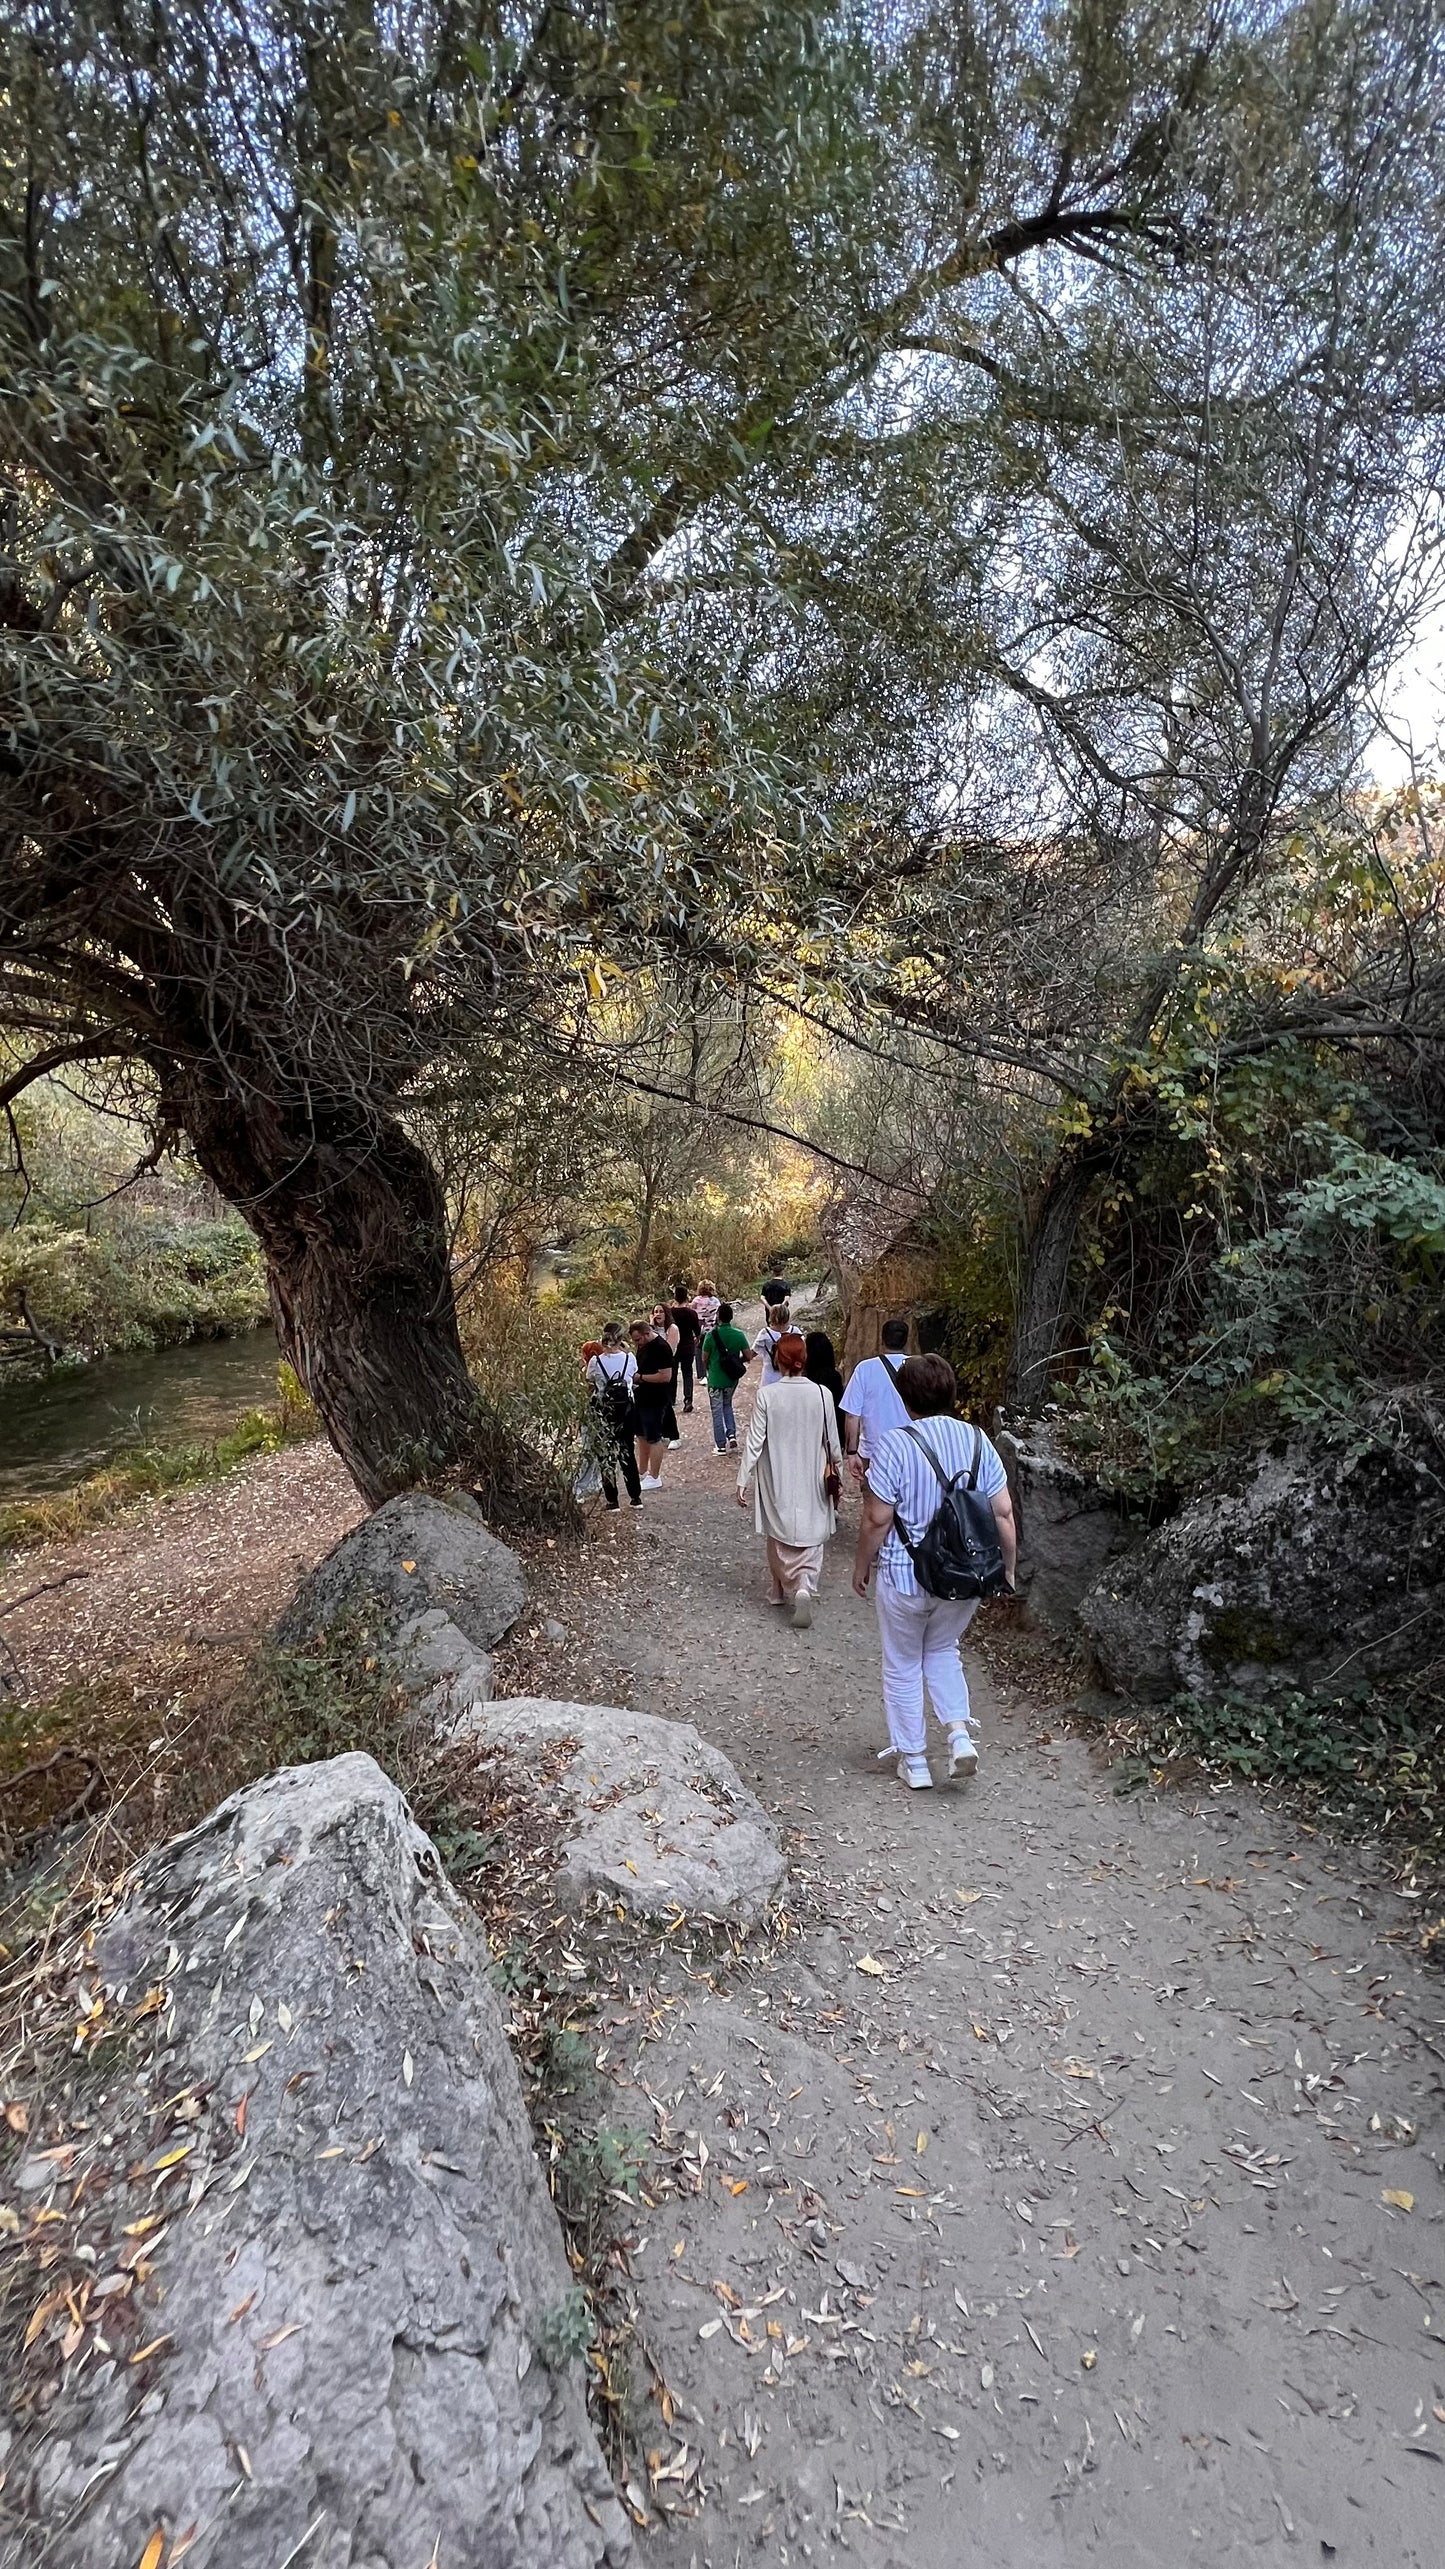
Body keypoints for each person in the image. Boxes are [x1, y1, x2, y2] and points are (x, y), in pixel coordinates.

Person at [851, 1352, 1016, 1790]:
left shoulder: (895, 1444)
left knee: (903, 1662)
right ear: (952, 1394)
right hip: (966, 1576)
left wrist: (861, 1565)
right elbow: (1003, 1515)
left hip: (907, 1573)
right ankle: (959, 1736)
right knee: (943, 1650)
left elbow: (876, 1519)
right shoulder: (980, 1442)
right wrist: (1008, 1572)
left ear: (905, 1399)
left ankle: (915, 1761)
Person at [736, 1329, 843, 1629]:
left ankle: (778, 1588)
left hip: (777, 1473)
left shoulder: (767, 1395)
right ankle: (805, 1584)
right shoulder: (823, 1394)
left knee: (779, 1533)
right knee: (811, 1533)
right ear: (804, 1360)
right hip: (813, 1472)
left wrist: (742, 1478)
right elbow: (832, 1442)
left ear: (778, 1361)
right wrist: (840, 1473)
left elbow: (755, 1441)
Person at [840, 1317, 911, 1486]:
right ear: (906, 1341)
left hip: (874, 1451)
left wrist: (851, 1452)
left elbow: (852, 1415)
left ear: (882, 1339)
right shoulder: (917, 1367)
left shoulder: (865, 1369)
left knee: (875, 1505)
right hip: (911, 1449)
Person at [585, 1322, 641, 1510]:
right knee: (628, 1451)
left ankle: (612, 1500)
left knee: (606, 1454)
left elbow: (589, 1381)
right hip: (626, 1410)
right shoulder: (629, 1359)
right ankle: (635, 1497)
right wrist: (624, 1349)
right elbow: (633, 1376)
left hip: (604, 1411)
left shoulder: (595, 1362)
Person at [629, 1316, 676, 1489]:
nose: (637, 1343)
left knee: (654, 1437)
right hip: (641, 1397)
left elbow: (665, 1376)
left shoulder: (661, 1348)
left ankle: (655, 1476)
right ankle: (642, 1470)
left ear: (647, 1333)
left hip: (655, 1399)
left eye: (638, 1339)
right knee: (641, 1435)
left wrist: (640, 1378)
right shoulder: (644, 1346)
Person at [701, 1299, 751, 1451]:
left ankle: (720, 1444)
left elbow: (704, 1358)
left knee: (716, 1411)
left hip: (716, 1377)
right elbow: (748, 1355)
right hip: (731, 1378)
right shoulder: (739, 1335)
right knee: (727, 1405)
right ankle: (732, 1435)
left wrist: (709, 1368)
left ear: (718, 1317)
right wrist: (736, 1362)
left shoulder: (711, 1335)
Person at [649, 1302, 683, 1445]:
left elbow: (668, 1350)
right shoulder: (650, 1329)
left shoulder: (672, 1329)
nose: (658, 1314)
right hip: (652, 1367)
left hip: (667, 1367)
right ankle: (659, 1430)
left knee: (666, 1401)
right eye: (655, 1312)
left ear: (666, 1313)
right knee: (654, 1402)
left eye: (661, 1311)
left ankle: (674, 1436)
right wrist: (650, 1326)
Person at [804, 1328, 846, 1441]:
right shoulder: (835, 1377)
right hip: (831, 1432)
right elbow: (839, 1410)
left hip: (809, 1433)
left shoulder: (806, 1379)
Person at [670, 1298, 702, 1415]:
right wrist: (696, 1341)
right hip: (688, 1346)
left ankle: (671, 1399)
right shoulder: (691, 1313)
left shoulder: (670, 1312)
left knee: (672, 1373)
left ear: (675, 1297)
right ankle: (688, 1400)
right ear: (686, 1297)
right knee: (687, 1373)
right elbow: (698, 1331)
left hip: (674, 1346)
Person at [753, 1300, 791, 1386]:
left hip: (769, 1376)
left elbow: (753, 1353)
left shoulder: (765, 1333)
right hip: (789, 1376)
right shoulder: (795, 1331)